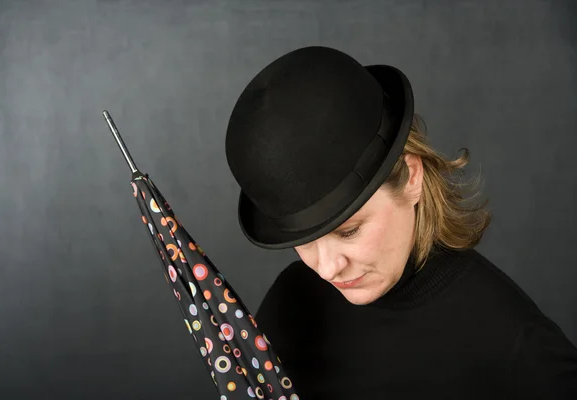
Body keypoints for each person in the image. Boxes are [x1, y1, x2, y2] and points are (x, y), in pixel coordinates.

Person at [224, 46, 577, 399]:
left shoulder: (516, 344)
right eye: (304, 240)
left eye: (349, 231)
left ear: (411, 178)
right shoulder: (290, 304)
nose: (328, 269)